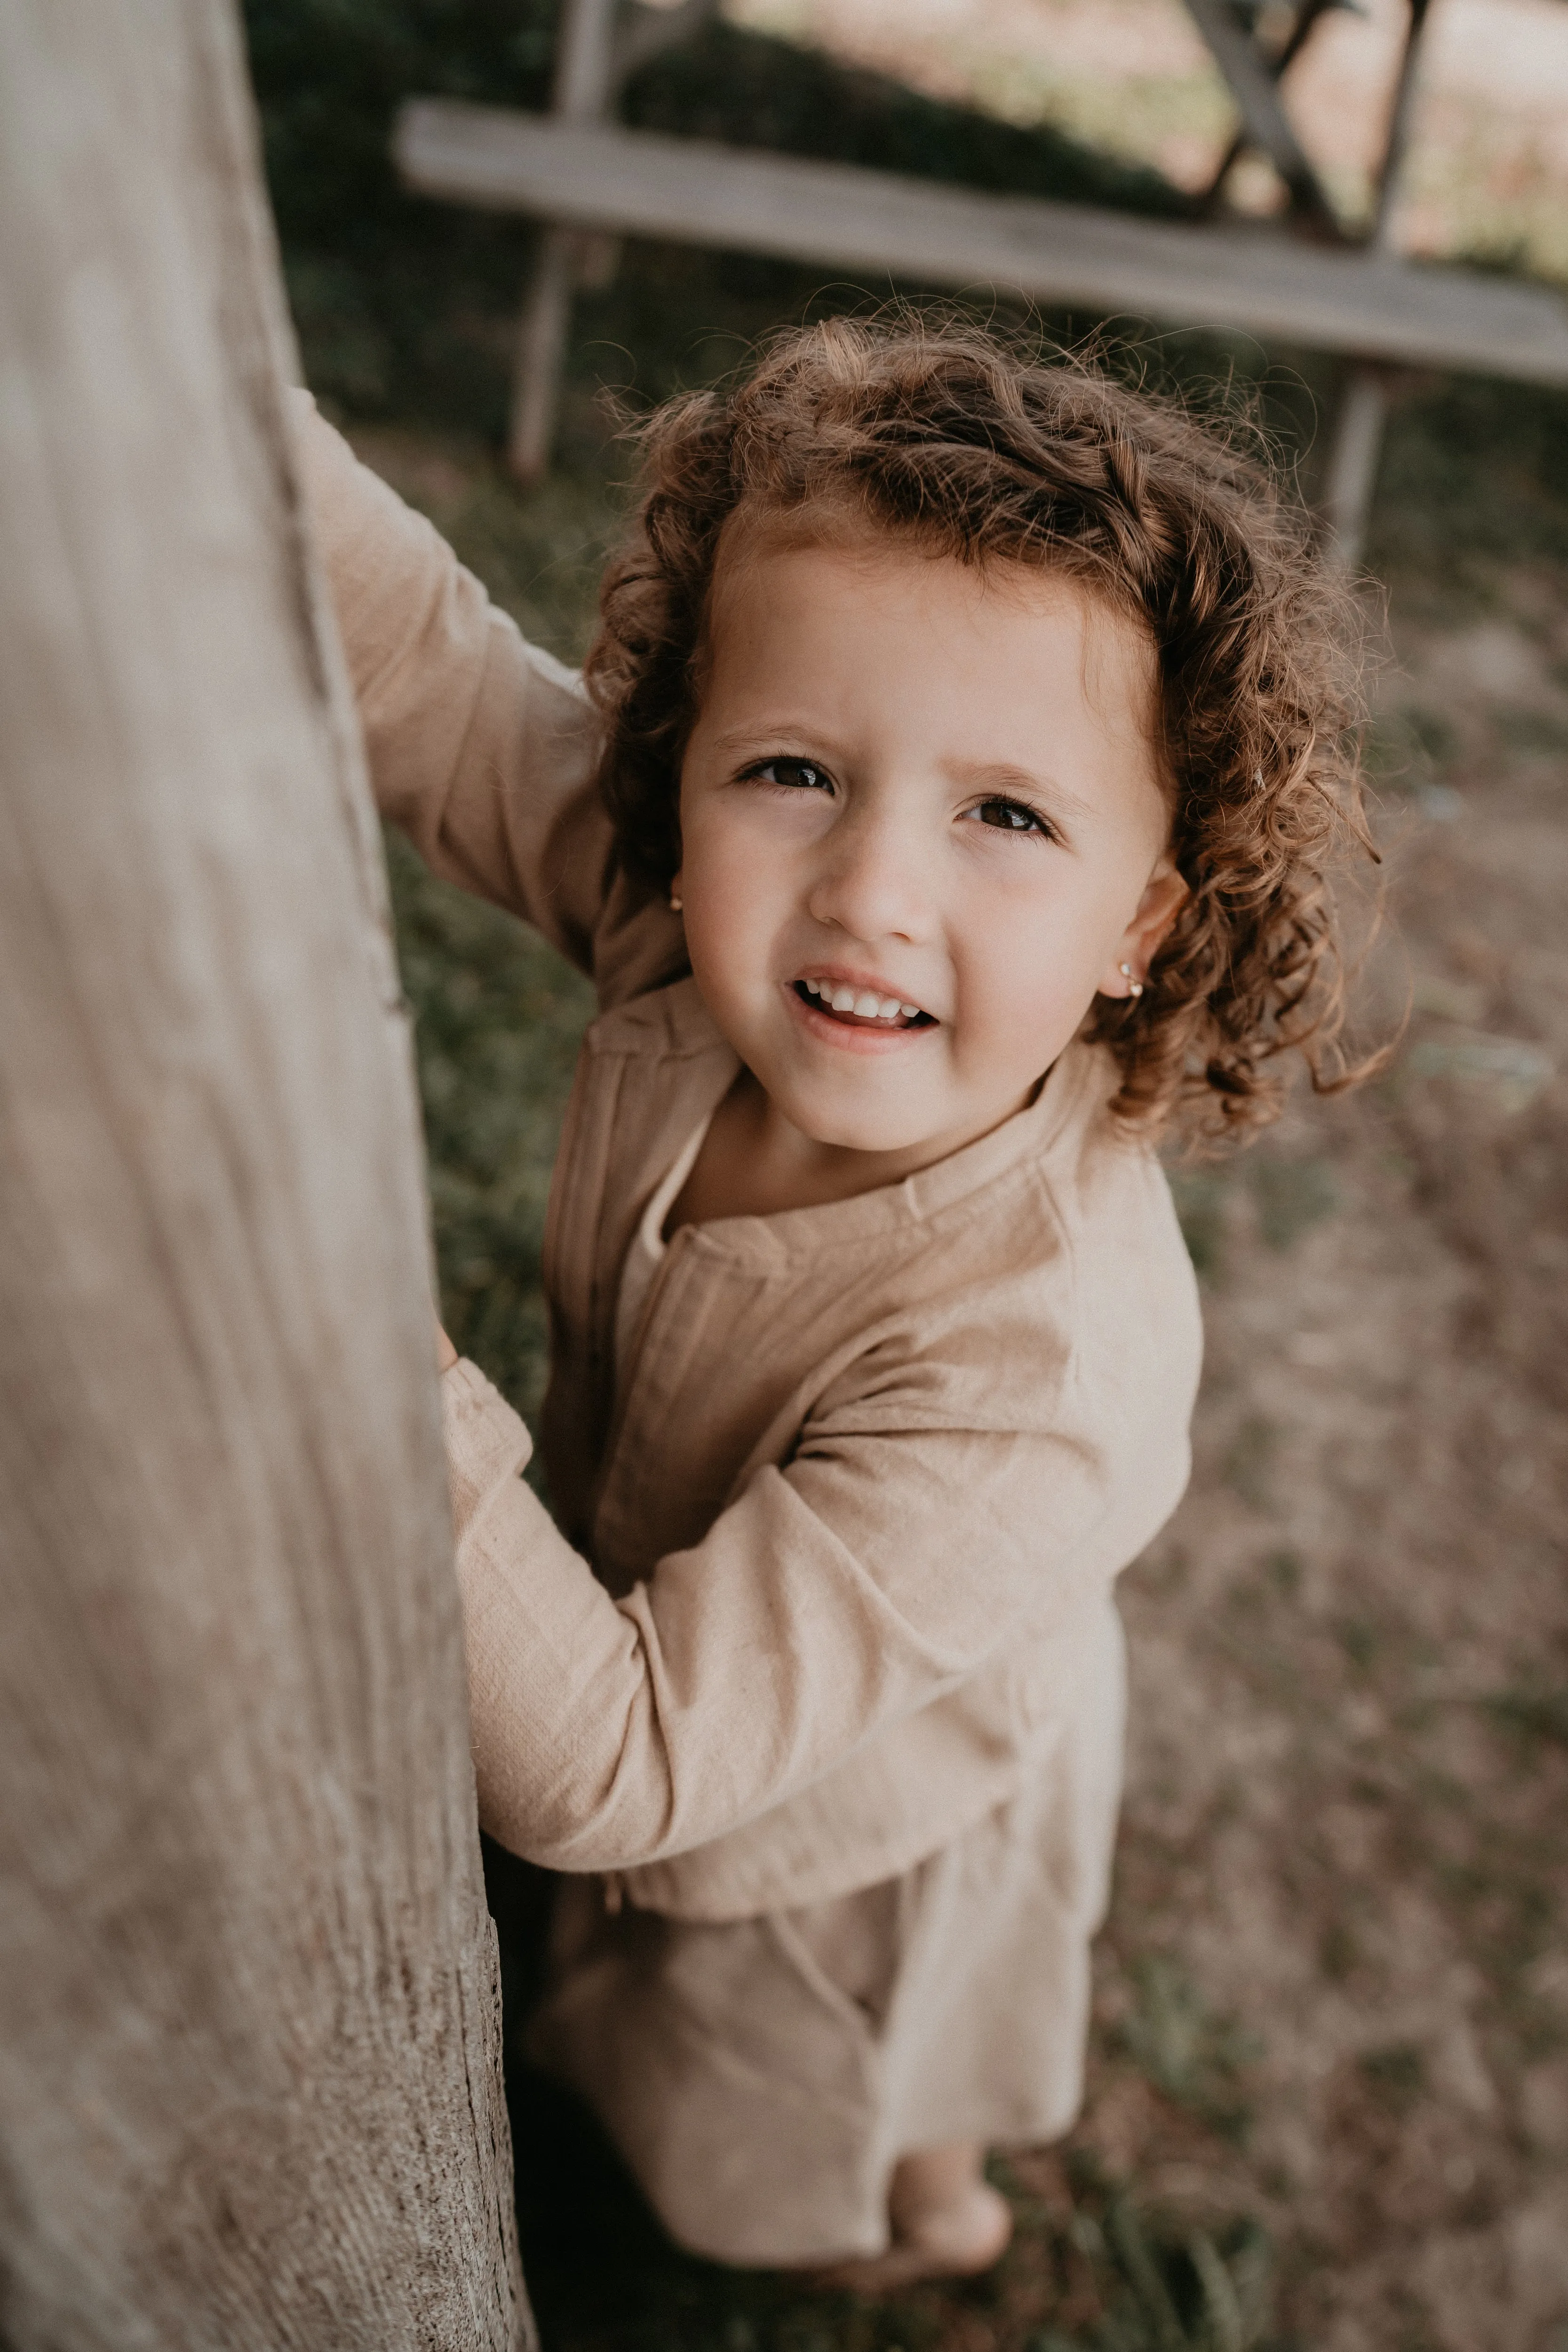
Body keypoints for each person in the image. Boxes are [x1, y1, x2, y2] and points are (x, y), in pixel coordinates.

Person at [291, 318, 1370, 2285]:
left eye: (1005, 815)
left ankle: (925, 2229)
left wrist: (355, 1338)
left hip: (853, 1798)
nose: (867, 886)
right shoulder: (686, 925)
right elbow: (427, 680)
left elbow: (613, 1767)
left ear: (1145, 916)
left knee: (806, 2070)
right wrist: (218, 403)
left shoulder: (1045, 1363)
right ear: (680, 766)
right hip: (712, 1611)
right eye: (789, 768)